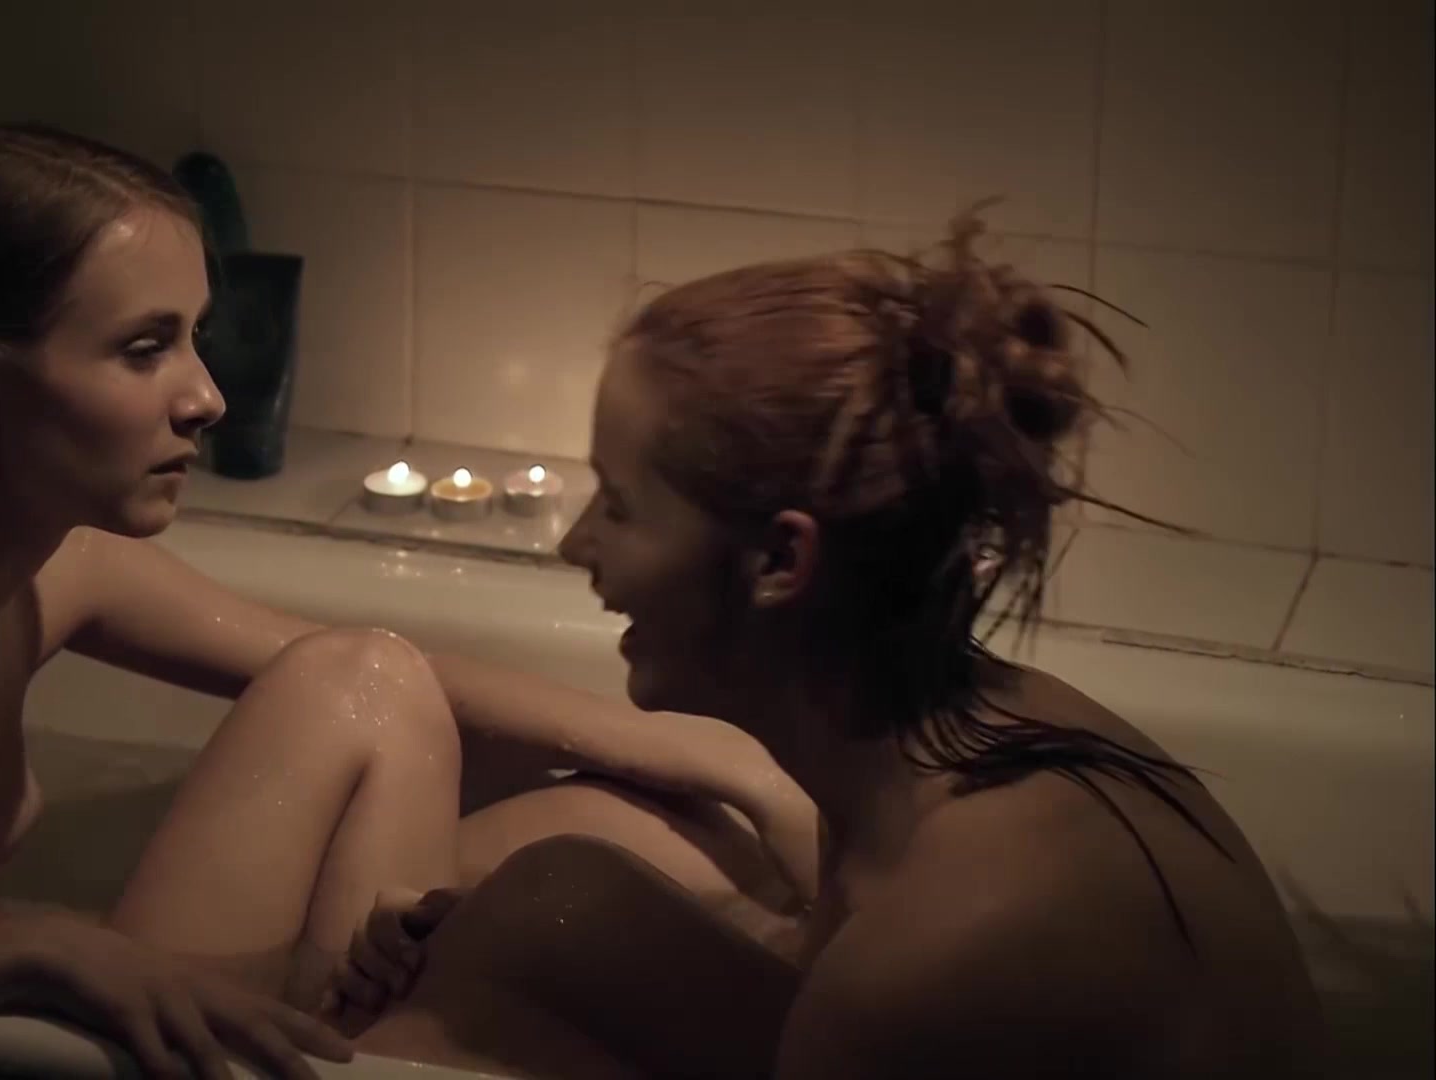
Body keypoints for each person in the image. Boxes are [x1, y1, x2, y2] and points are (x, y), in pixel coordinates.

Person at [0, 124, 805, 1079]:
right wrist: (35, 948)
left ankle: (394, 1043)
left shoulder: (41, 564)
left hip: (19, 1037)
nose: (205, 395)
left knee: (609, 827)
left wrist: (720, 758)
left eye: (193, 336)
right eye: (145, 348)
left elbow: (368, 668)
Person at [334, 214, 1332, 1079]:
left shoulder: (941, 946)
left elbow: (886, 1002)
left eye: (622, 507)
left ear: (781, 559)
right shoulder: (966, 737)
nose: (576, 544)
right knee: (548, 901)